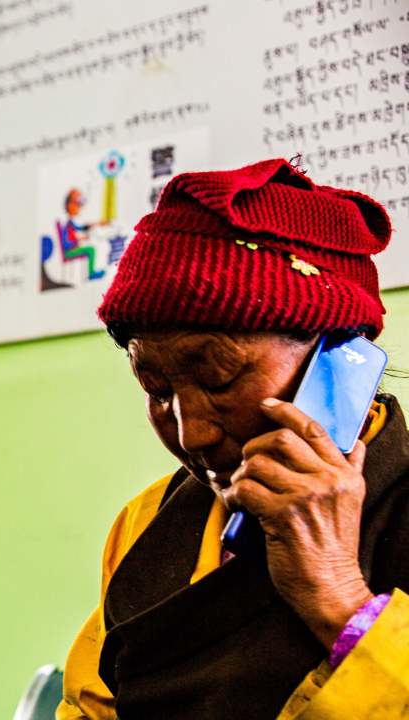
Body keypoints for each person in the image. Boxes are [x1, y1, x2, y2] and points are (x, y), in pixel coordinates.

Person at [56, 159, 408, 719]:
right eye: (156, 389)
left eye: (220, 377)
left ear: (340, 357)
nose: (190, 432)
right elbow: (88, 704)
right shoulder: (147, 521)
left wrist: (340, 599)